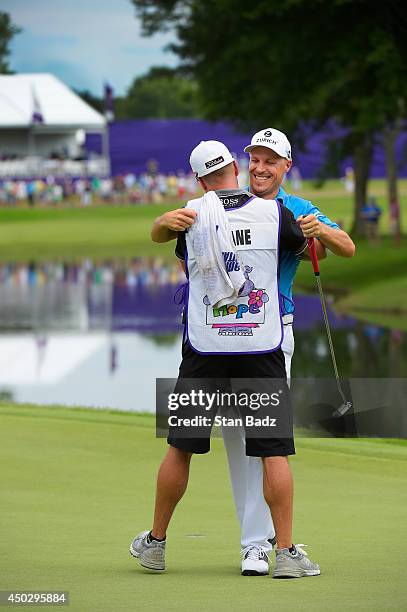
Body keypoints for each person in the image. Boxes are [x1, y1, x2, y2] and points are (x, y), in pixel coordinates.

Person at [147, 128, 355, 576]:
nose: (260, 168)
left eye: (270, 160)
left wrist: (318, 229)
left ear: (285, 167)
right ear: (239, 167)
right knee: (253, 443)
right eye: (254, 159)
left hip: (253, 335)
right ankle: (259, 545)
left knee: (248, 444)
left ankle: (251, 545)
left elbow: (345, 246)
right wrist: (167, 223)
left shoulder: (288, 209)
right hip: (252, 341)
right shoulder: (259, 214)